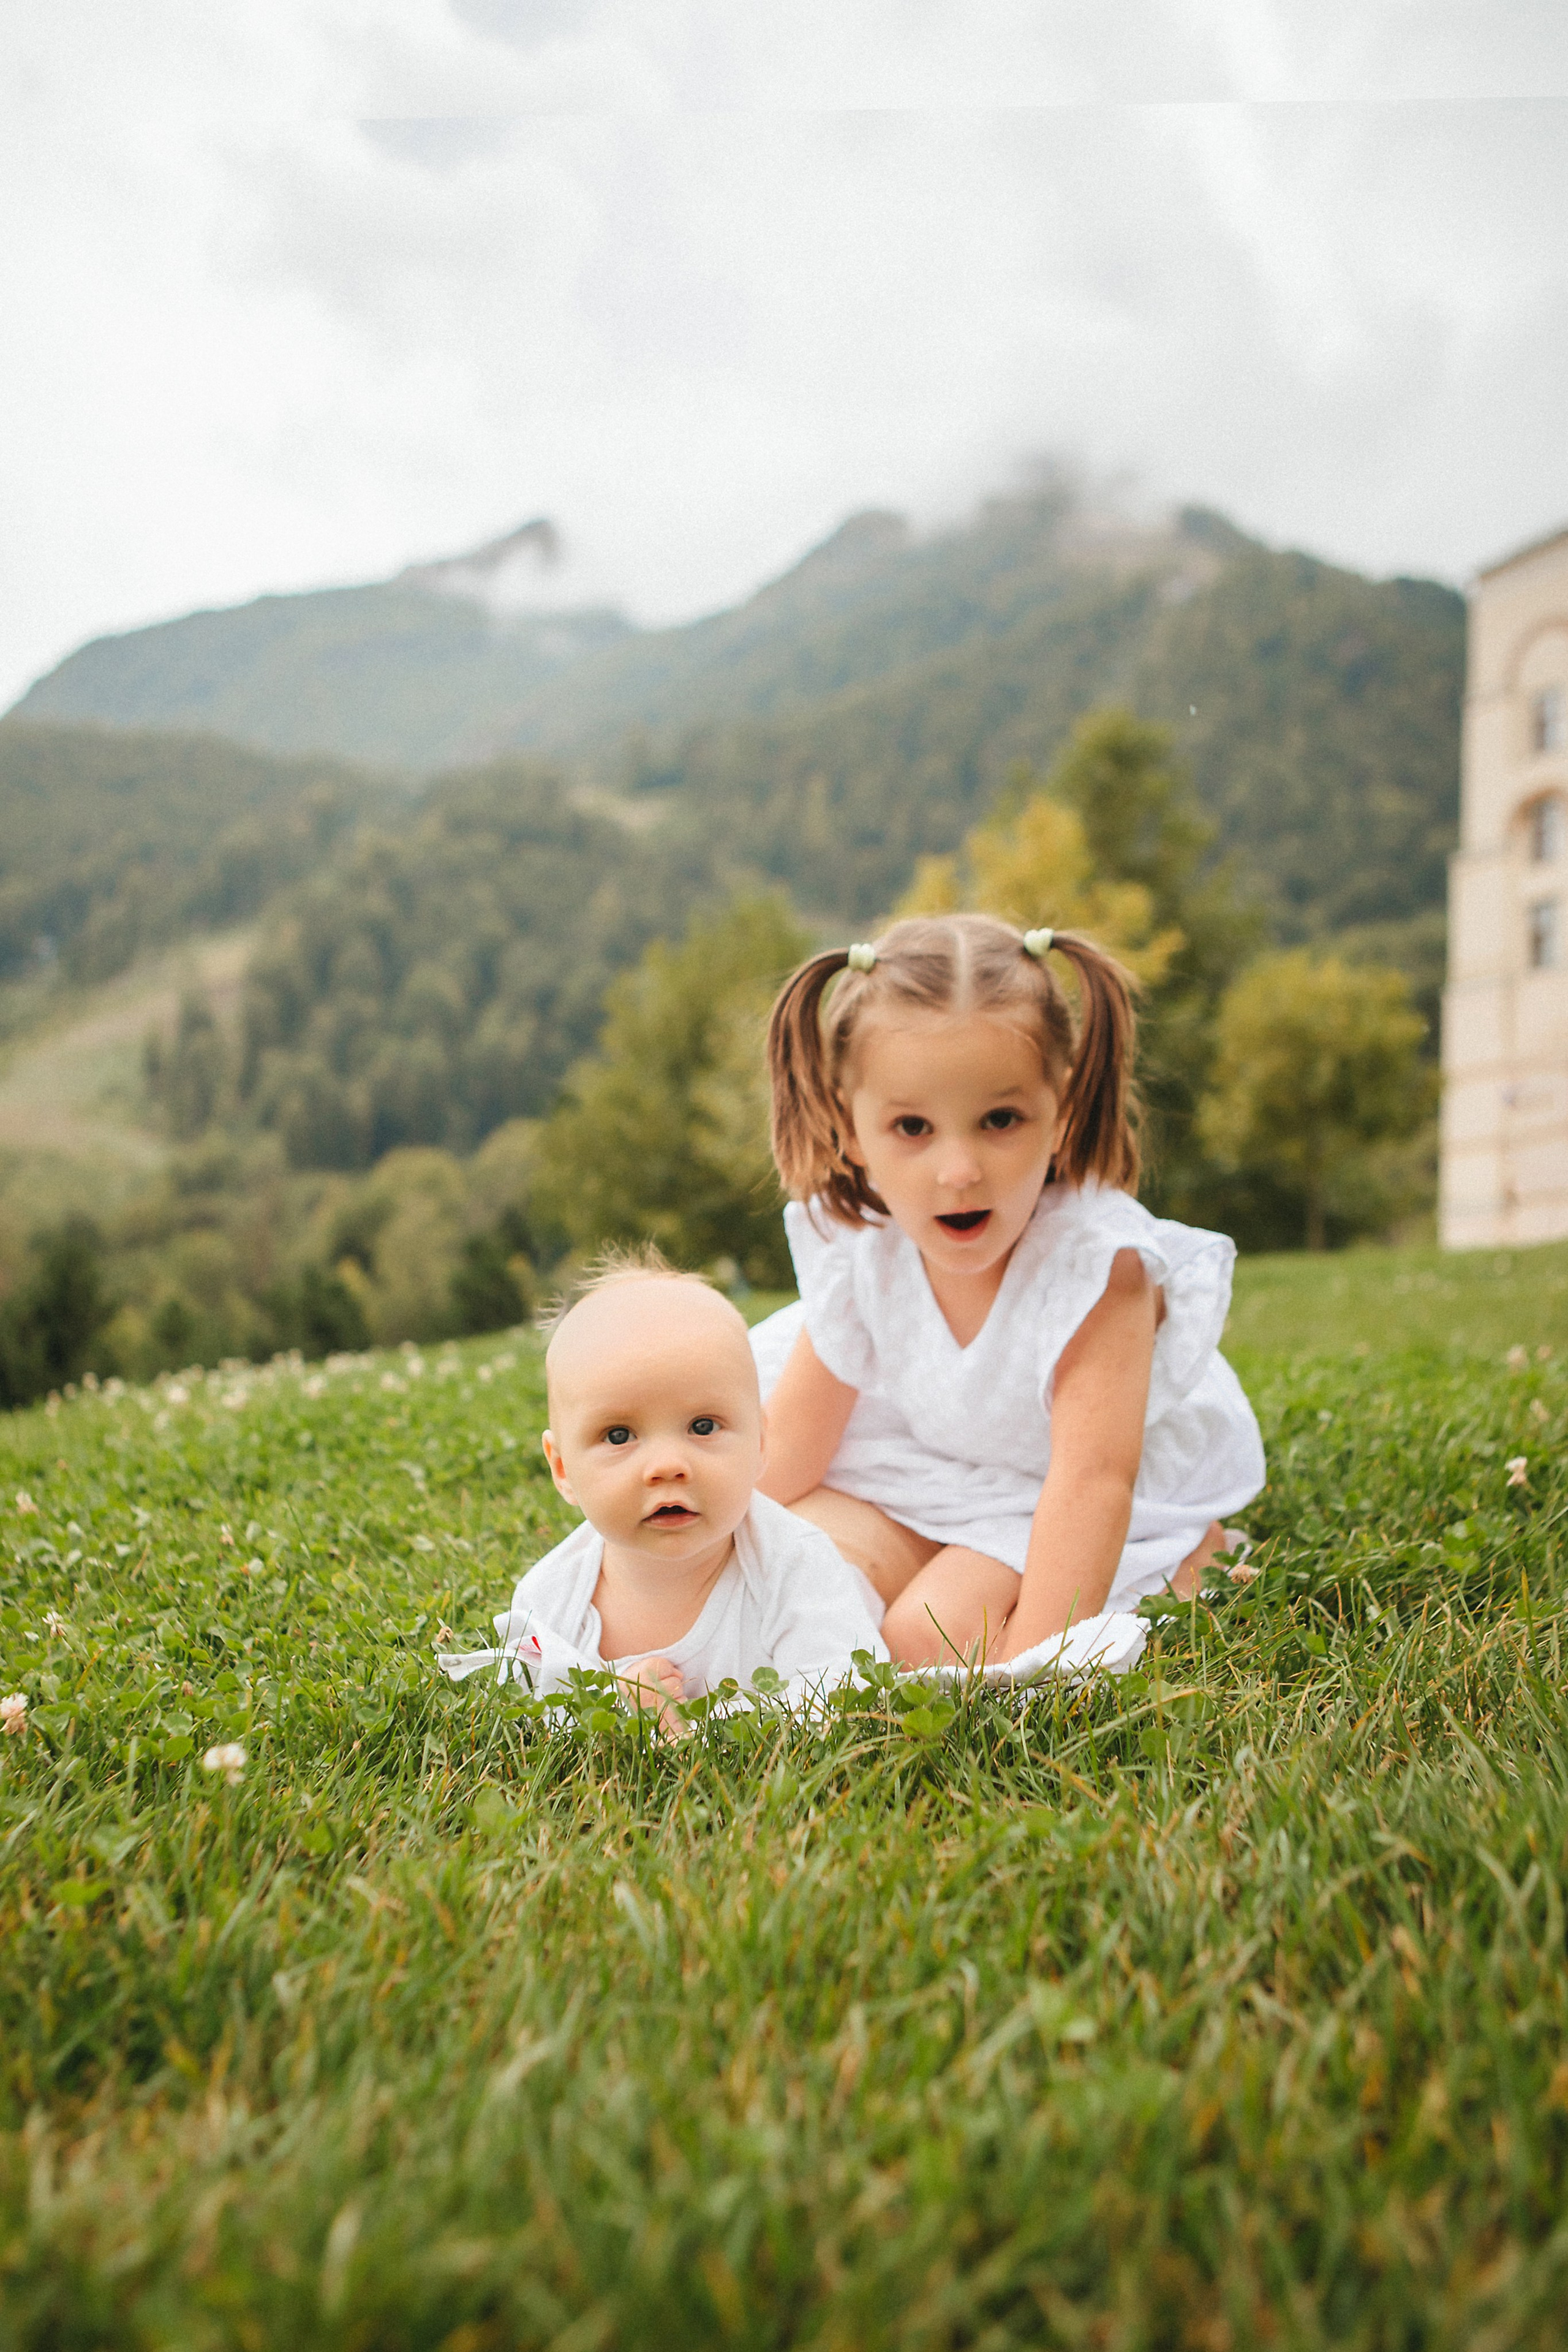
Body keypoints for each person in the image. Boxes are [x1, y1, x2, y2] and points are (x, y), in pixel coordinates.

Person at [753, 912, 1265, 1668]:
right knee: (796, 1579)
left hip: (1079, 1475)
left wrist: (1032, 1674)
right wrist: (666, 1554)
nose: (958, 1170)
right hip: (940, 1454)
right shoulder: (864, 1250)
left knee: (928, 1636)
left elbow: (1090, 1484)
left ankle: (1189, 1556)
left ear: (1059, 1109)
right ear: (849, 1127)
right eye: (913, 1128)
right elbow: (789, 1447)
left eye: (999, 1120)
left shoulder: (1096, 1269)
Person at [441, 1254, 886, 1729]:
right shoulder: (550, 1598)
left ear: (759, 1444)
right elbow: (531, 1704)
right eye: (619, 1436)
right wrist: (617, 1707)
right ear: (563, 1468)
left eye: (702, 1426)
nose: (667, 1466)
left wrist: (693, 1727)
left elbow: (843, 1696)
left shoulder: (798, 1567)